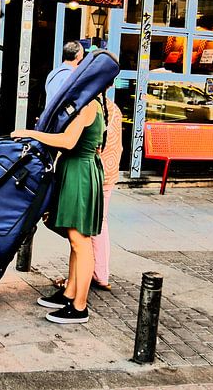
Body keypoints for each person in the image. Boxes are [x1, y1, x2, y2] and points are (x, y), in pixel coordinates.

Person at [12, 98, 106, 324]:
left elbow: (68, 141)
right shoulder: (94, 103)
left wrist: (29, 133)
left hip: (79, 173)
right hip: (78, 170)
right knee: (76, 240)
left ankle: (79, 307)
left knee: (80, 241)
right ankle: (69, 294)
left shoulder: (88, 104)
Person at [92, 95, 121, 291]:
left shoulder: (90, 107)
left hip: (92, 173)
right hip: (109, 172)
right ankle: (101, 274)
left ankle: (84, 276)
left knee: (86, 228)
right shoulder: (114, 109)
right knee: (100, 224)